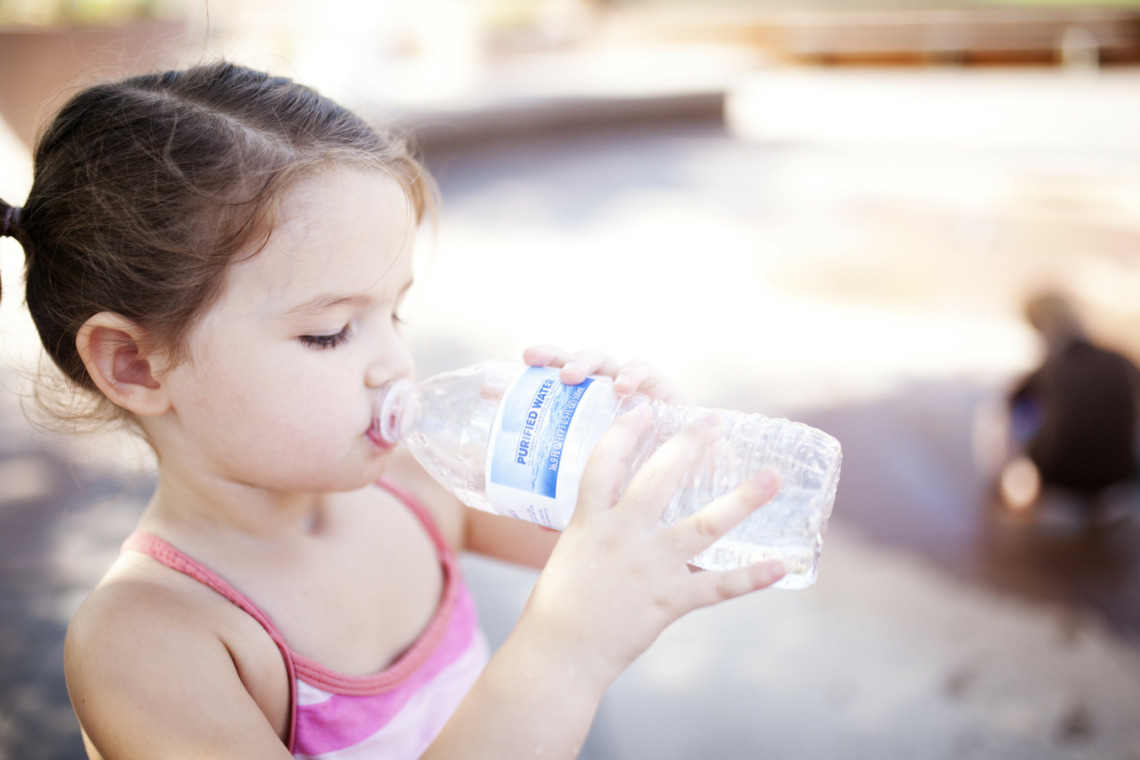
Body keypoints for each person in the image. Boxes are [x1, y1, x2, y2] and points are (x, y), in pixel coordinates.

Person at [0, 62, 785, 759]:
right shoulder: (152, 644)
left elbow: (668, 553)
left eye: (394, 315)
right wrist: (565, 651)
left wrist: (650, 444)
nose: (394, 364)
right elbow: (578, 632)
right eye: (330, 332)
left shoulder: (420, 489)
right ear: (135, 365)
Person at [999, 292, 1140, 519]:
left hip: (1058, 474)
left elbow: (1011, 403)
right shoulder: (1121, 360)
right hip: (1120, 473)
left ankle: (1013, 484)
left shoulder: (1049, 369)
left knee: (1014, 413)